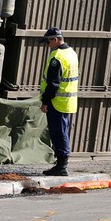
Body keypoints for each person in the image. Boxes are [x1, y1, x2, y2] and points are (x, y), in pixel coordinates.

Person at [38, 27, 80, 176]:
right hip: (68, 101)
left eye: (48, 42)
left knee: (58, 133)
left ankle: (61, 166)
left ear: (55, 39)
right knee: (62, 132)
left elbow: (53, 83)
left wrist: (45, 102)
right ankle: (61, 163)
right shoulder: (71, 53)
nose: (47, 46)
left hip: (57, 102)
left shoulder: (57, 57)